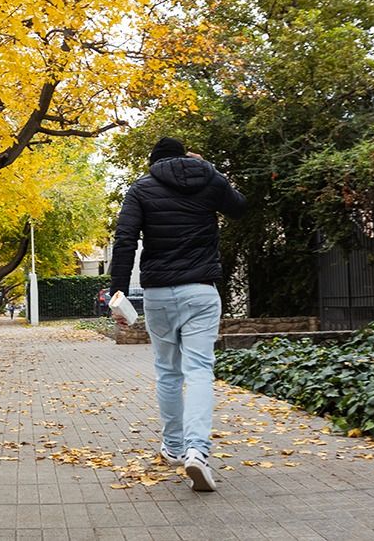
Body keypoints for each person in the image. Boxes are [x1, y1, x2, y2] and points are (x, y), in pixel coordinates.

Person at [109, 137, 246, 492]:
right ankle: (197, 451)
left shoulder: (140, 189)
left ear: (152, 162)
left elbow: (125, 239)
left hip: (158, 294)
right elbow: (240, 208)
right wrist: (211, 169)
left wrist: (118, 294)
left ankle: (173, 446)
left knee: (168, 372)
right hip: (201, 290)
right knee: (199, 370)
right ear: (185, 156)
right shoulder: (210, 179)